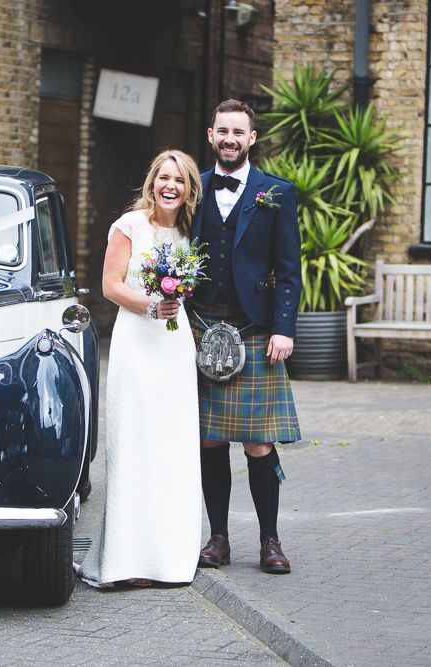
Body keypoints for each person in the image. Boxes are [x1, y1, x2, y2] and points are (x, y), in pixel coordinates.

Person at [78, 149, 203, 587]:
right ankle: (126, 561)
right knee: (135, 442)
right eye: (164, 178)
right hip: (137, 341)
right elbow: (110, 286)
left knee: (172, 445)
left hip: (174, 347)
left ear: (189, 189)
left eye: (180, 180)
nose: (171, 186)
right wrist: (152, 305)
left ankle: (169, 558)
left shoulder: (189, 233)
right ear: (152, 183)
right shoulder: (128, 226)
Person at [189, 99, 301, 574]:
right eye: (223, 131)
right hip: (201, 325)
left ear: (252, 138)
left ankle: (270, 541)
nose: (230, 139)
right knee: (211, 440)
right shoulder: (192, 190)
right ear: (210, 135)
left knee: (258, 442)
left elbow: (290, 269)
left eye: (240, 132)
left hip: (256, 329)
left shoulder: (276, 192)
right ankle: (218, 539)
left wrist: (284, 328)